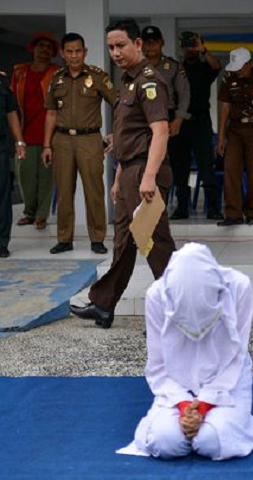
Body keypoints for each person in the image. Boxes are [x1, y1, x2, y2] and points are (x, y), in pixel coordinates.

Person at [70, 18, 176, 329]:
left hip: (145, 173)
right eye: (111, 47)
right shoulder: (128, 82)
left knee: (156, 246)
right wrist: (118, 179)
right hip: (130, 172)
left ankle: (177, 316)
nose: (115, 52)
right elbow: (125, 136)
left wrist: (148, 178)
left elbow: (160, 132)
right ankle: (103, 304)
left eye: (121, 45)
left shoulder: (149, 81)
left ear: (138, 44)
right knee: (123, 245)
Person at [117, 243, 253, 460]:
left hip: (228, 382)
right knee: (165, 442)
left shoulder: (239, 287)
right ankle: (198, 421)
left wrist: (203, 406)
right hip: (175, 386)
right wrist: (185, 406)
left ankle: (234, 419)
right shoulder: (157, 295)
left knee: (212, 441)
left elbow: (236, 358)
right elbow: (157, 365)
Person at [42, 32, 117, 255]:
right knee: (64, 191)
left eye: (78, 51)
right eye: (70, 51)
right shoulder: (56, 79)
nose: (74, 55)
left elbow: (120, 105)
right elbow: (51, 114)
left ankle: (97, 238)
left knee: (94, 190)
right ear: (63, 53)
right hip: (62, 140)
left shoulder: (98, 77)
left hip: (90, 139)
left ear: (85, 52)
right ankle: (64, 238)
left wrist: (115, 133)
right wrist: (47, 145)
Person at [216, 48, 253, 226]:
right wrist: (220, 138)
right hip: (234, 130)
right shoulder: (228, 79)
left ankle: (251, 212)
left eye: (240, 68)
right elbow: (225, 108)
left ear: (249, 64)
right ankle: (233, 214)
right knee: (230, 170)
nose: (238, 71)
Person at [169, 31, 222, 220]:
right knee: (179, 166)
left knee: (206, 165)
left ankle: (213, 207)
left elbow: (217, 67)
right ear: (181, 46)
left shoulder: (204, 66)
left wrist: (203, 50)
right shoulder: (177, 68)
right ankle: (182, 207)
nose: (189, 48)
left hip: (201, 121)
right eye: (187, 44)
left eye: (193, 44)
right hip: (180, 122)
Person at [141, 26, 193, 216]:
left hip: (170, 117)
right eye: (147, 41)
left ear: (161, 43)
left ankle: (182, 205)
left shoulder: (174, 67)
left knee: (179, 163)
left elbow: (184, 94)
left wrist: (179, 118)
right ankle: (150, 206)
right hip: (144, 119)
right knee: (148, 162)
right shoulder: (137, 66)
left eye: (155, 41)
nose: (151, 45)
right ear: (141, 44)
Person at [11, 31, 60, 230]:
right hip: (25, 134)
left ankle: (41, 215)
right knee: (25, 176)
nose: (44, 50)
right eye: (41, 46)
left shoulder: (57, 72)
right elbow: (11, 104)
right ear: (33, 48)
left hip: (50, 134)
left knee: (46, 178)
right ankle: (29, 212)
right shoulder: (20, 72)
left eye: (48, 47)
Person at [0, 70, 27, 258]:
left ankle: (1, 242)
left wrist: (19, 141)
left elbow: (10, 112)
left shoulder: (1, 81)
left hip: (0, 146)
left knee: (2, 195)